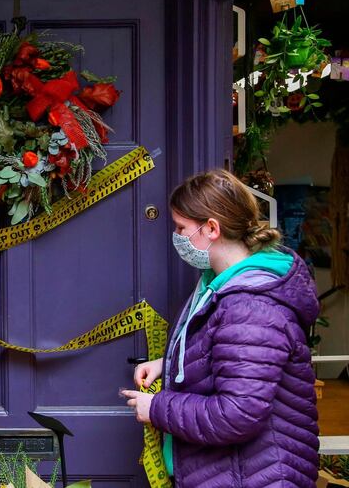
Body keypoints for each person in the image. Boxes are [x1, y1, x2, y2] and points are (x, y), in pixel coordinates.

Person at [121, 169, 320, 487]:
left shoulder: (251, 304)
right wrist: (169, 364)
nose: (177, 236)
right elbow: (230, 355)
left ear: (211, 228)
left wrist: (157, 407)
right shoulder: (217, 284)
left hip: (254, 477)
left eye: (181, 227)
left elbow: (238, 413)